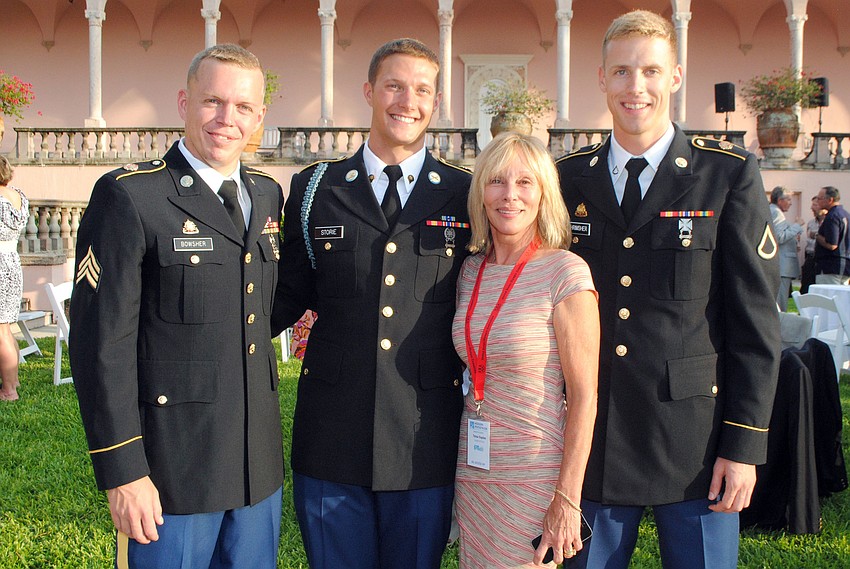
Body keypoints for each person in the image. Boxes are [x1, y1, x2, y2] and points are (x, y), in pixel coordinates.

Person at [557, 10, 780, 569]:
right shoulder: (567, 178)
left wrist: (743, 445)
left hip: (696, 444)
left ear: (675, 78)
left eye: (652, 71)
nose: (637, 87)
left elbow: (755, 321)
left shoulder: (725, 174)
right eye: (623, 72)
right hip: (596, 438)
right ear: (602, 79)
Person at [69, 44, 284, 568]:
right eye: (212, 101)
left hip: (257, 472)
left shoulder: (267, 194)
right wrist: (123, 471)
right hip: (171, 475)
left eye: (242, 107)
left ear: (259, 116)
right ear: (184, 102)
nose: (226, 119)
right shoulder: (130, 197)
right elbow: (100, 345)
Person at [273, 38, 472, 569]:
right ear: (368, 91)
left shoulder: (464, 193)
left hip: (423, 437)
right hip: (331, 436)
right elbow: (284, 296)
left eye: (422, 90)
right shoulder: (317, 188)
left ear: (435, 102)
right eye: (395, 85)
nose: (408, 101)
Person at [452, 132, 598, 568]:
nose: (509, 195)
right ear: (481, 191)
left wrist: (567, 498)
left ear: (543, 195)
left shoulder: (565, 273)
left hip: (535, 478)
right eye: (497, 181)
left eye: (525, 182)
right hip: (474, 471)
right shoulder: (470, 271)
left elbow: (585, 396)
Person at [0, 156, 29, 402]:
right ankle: (13, 378)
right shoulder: (18, 196)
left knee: (1, 330)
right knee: (6, 328)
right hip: (12, 262)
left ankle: (9, 390)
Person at [768, 186, 803, 310]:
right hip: (782, 266)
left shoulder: (774, 211)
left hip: (782, 266)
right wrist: (797, 226)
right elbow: (779, 237)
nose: (791, 203)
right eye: (788, 199)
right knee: (780, 303)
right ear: (779, 200)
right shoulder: (776, 212)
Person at [814, 186, 850, 285]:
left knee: (826, 298)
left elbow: (832, 245)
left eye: (820, 198)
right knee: (842, 299)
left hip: (830, 267)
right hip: (845, 266)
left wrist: (817, 236)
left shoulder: (832, 216)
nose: (818, 201)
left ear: (830, 200)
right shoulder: (845, 214)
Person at [801, 196, 827, 293]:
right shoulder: (811, 223)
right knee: (806, 289)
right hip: (810, 259)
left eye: (815, 205)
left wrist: (816, 235)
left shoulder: (830, 222)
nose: (812, 208)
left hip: (823, 261)